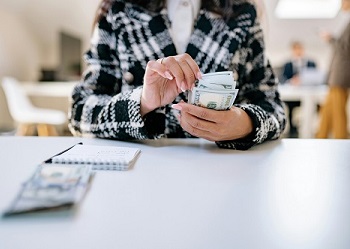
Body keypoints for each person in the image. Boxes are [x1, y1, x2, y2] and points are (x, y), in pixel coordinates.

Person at [68, 0, 286, 150]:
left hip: (222, 175)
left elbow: (275, 110)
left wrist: (244, 124)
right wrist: (142, 103)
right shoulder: (118, 10)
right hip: (138, 177)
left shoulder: (243, 13)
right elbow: (80, 112)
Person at [316, 0, 350, 139]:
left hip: (341, 76)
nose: (341, 4)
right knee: (327, 111)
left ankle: (341, 141)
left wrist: (331, 39)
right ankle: (320, 139)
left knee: (338, 113)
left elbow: (345, 48)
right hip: (336, 75)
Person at [281, 41, 317, 137]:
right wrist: (292, 81)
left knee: (311, 105)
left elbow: (315, 78)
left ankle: (308, 129)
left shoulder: (311, 63)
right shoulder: (288, 64)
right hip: (293, 96)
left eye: (300, 49)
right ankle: (293, 130)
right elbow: (283, 79)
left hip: (308, 94)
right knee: (289, 106)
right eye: (296, 49)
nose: (298, 51)